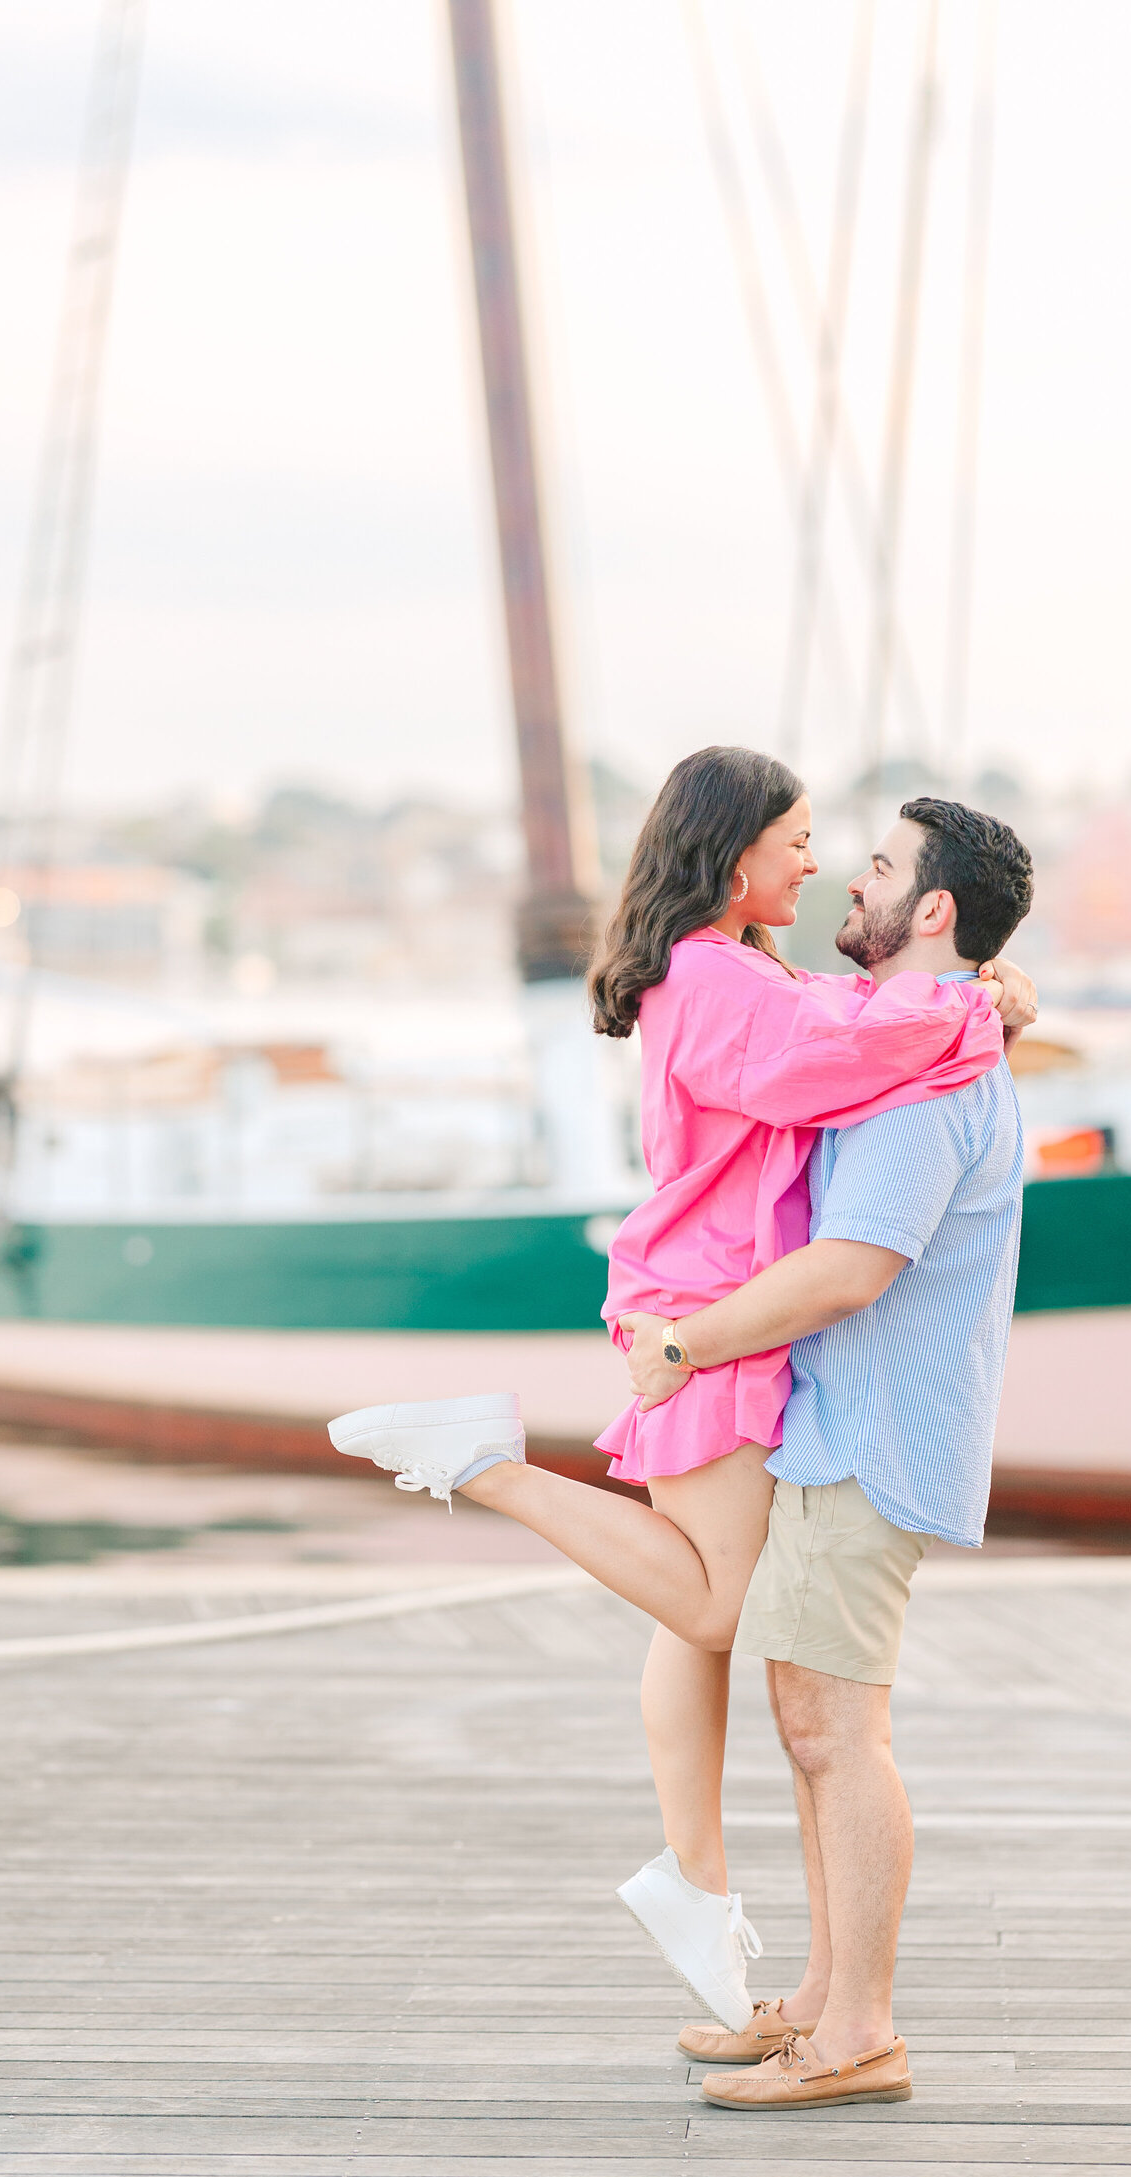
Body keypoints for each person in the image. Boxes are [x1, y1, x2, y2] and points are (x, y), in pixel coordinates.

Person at [328, 749, 1036, 2036]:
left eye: (852, 850)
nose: (820, 863)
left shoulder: (747, 966)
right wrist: (974, 1009)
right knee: (711, 1604)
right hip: (709, 1309)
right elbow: (808, 1070)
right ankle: (492, 1471)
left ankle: (707, 1889)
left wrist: (979, 993)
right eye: (802, 839)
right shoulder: (713, 978)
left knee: (696, 1606)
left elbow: (836, 1026)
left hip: (721, 1313)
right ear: (732, 855)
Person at [621, 793, 1030, 2110]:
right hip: (829, 1430)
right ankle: (816, 1999)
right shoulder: (911, 1047)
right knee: (810, 1723)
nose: (847, 881)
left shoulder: (933, 1087)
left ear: (937, 910)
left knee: (839, 1731)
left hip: (871, 1440)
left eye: (879, 868)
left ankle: (859, 2031)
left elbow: (850, 1271)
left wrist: (685, 1347)